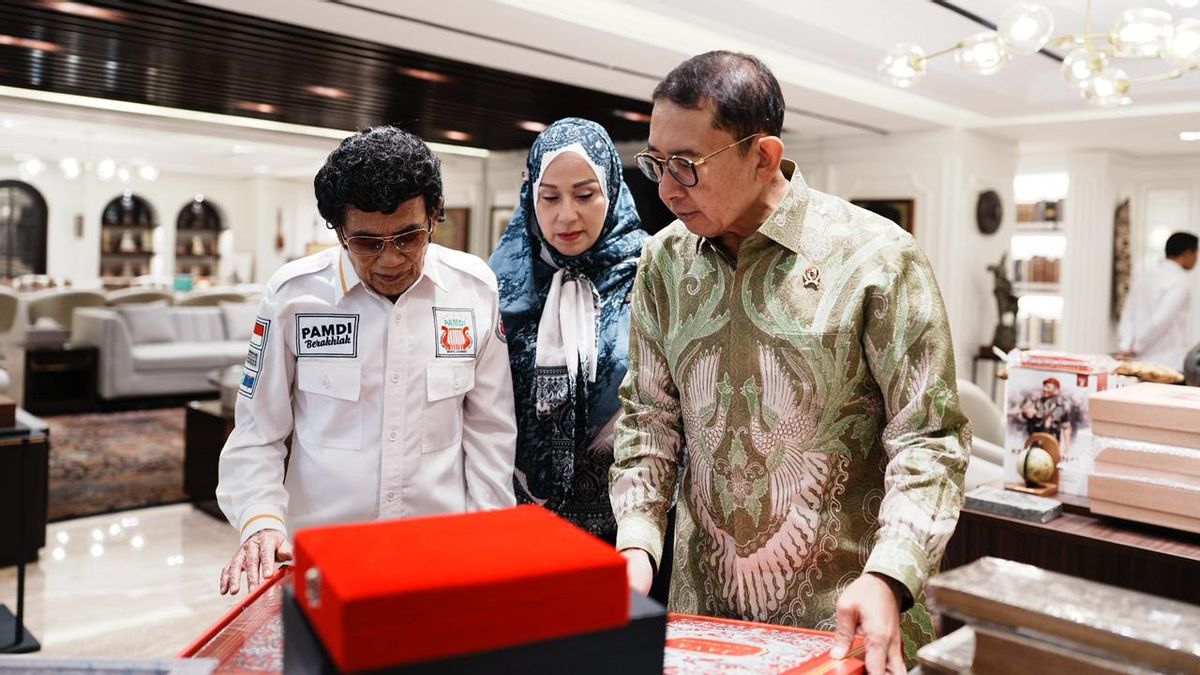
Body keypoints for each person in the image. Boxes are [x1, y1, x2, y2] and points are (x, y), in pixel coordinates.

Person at [610, 51, 970, 673]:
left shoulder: (877, 258)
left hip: (847, 624)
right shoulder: (663, 261)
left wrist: (891, 573)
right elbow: (648, 418)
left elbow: (929, 438)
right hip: (705, 625)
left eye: (687, 166)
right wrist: (636, 546)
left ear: (764, 156)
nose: (666, 189)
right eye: (657, 163)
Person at [216, 126, 517, 595]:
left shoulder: (474, 290)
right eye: (367, 242)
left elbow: (490, 432)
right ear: (338, 231)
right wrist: (260, 521)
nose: (391, 259)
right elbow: (257, 433)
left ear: (435, 215)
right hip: (320, 559)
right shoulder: (294, 297)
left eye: (409, 237)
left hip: (439, 555)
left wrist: (488, 538)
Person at [489, 118, 648, 542]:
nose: (566, 215)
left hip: (628, 529)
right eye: (549, 197)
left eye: (584, 194)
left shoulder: (651, 276)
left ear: (610, 189)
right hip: (517, 525)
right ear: (531, 197)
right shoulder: (501, 283)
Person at [1117, 231, 1198, 370]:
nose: (1197, 259)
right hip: (1166, 362)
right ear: (1187, 253)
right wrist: (1136, 347)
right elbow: (1160, 320)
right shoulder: (1179, 281)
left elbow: (1128, 314)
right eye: (1196, 253)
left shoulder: (1145, 276)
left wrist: (1126, 345)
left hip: (1135, 359)